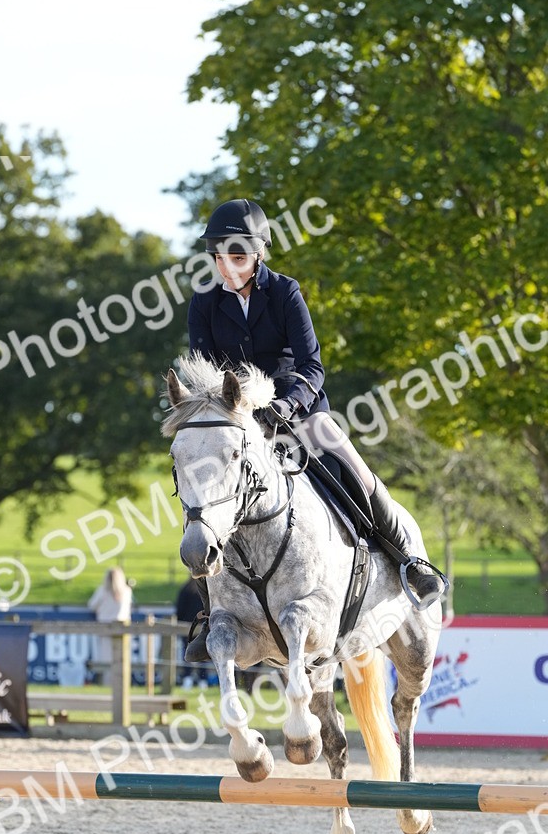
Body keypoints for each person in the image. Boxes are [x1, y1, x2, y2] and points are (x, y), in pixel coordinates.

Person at [185, 197, 446, 662]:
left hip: (297, 410)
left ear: (258, 254)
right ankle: (210, 613)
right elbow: (207, 377)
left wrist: (285, 405)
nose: (226, 267)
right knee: (204, 493)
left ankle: (407, 558)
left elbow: (311, 366)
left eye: (237, 257)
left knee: (350, 463)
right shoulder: (204, 303)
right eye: (218, 257)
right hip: (239, 420)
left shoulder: (285, 293)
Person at [87, 567, 133, 685]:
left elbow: (91, 605)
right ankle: (122, 685)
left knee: (106, 660)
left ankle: (107, 685)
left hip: (105, 629)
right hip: (122, 629)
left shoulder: (102, 591)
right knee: (122, 660)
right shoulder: (126, 591)